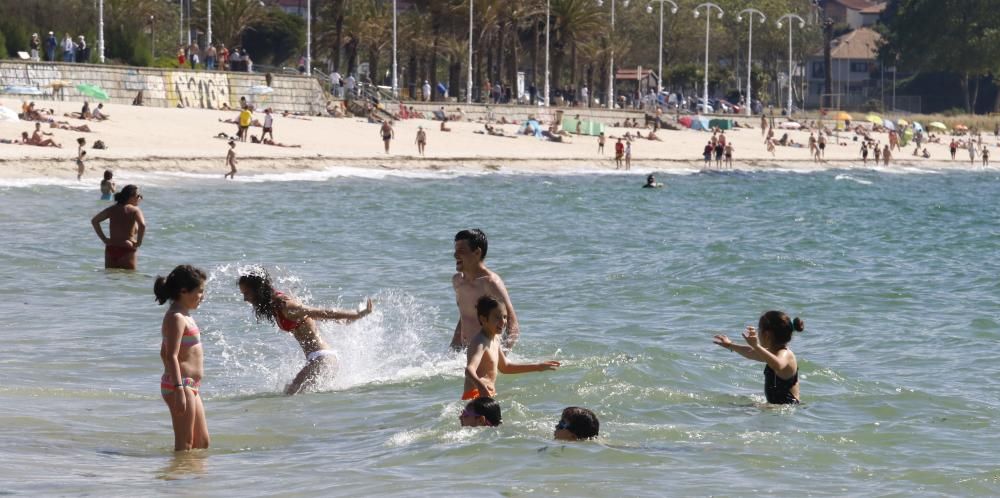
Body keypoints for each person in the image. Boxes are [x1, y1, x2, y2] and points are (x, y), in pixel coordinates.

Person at [237, 269, 374, 395]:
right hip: (318, 360)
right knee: (291, 394)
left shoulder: (286, 306)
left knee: (290, 393)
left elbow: (322, 312)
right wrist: (345, 320)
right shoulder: (275, 305)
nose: (245, 298)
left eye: (247, 293)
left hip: (322, 359)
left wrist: (356, 314)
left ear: (259, 289)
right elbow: (314, 317)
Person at [154, 265, 210, 451]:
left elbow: (164, 351)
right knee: (184, 443)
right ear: (184, 291)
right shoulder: (175, 317)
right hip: (180, 385)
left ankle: (192, 478)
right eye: (200, 291)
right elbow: (171, 355)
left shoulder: (186, 316)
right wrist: (178, 389)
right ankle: (176, 478)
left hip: (191, 386)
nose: (203, 296)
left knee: (201, 443)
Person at [463, 295, 559, 400]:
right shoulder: (480, 342)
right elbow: (469, 370)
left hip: (486, 394)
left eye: (504, 317)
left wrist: (537, 367)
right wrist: (481, 387)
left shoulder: (495, 339)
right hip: (476, 395)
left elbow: (505, 367)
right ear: (483, 319)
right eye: (497, 317)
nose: (503, 321)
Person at [713, 311, 804, 405]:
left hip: (788, 406)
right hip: (778, 407)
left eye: (759, 329)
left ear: (767, 334)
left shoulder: (786, 354)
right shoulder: (772, 353)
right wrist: (730, 345)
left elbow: (778, 365)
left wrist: (756, 346)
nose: (757, 332)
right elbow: (751, 352)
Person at [451, 229, 520, 350]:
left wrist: (500, 356)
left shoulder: (491, 282)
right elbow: (465, 316)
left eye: (461, 251)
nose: (455, 255)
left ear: (477, 252)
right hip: (465, 352)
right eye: (455, 250)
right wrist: (453, 349)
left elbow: (512, 323)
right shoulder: (458, 281)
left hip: (486, 353)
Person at [91, 184, 146, 270]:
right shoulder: (135, 210)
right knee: (129, 280)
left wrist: (104, 239)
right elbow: (142, 225)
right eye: (138, 196)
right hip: (126, 248)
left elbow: (94, 221)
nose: (140, 198)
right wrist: (138, 242)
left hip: (111, 248)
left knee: (111, 279)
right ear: (131, 197)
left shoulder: (112, 209)